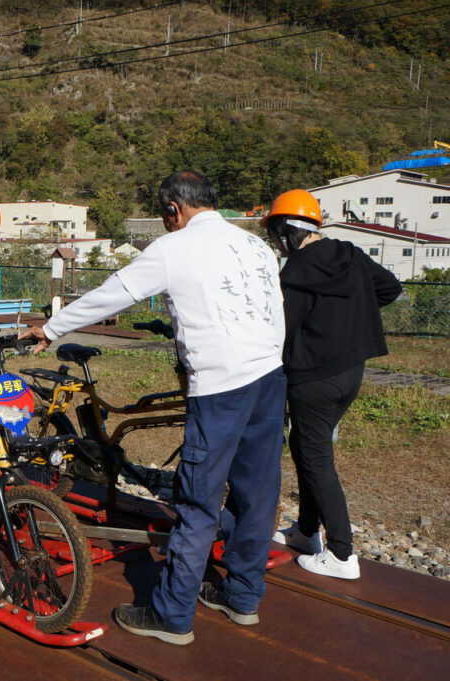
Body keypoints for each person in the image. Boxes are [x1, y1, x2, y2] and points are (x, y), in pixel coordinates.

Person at [21, 171, 286, 645]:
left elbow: (112, 295)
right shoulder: (256, 246)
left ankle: (172, 616)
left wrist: (52, 328)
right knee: (258, 493)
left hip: (221, 385)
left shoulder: (175, 247)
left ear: (173, 210)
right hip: (269, 378)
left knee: (198, 502)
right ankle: (243, 598)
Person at [265, 189, 402, 580]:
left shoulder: (294, 272)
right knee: (307, 447)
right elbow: (389, 289)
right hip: (350, 372)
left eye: (276, 233)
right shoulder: (351, 255)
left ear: (287, 230)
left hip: (312, 379)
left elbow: (280, 329)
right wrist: (350, 316)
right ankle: (307, 532)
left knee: (316, 457)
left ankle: (342, 554)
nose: (277, 242)